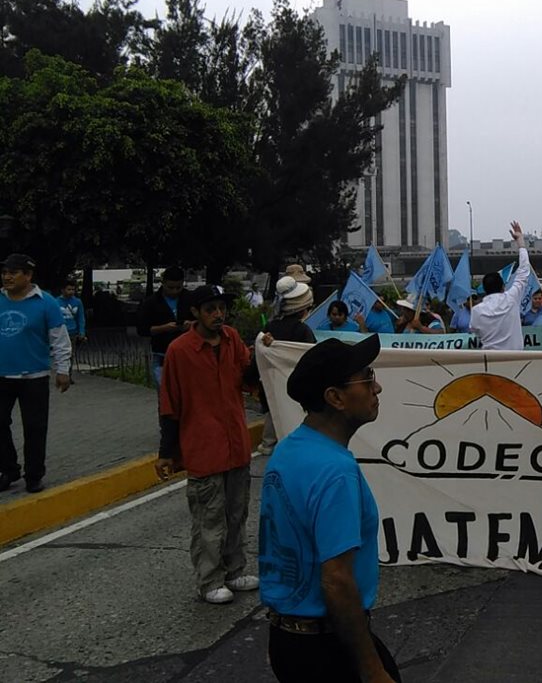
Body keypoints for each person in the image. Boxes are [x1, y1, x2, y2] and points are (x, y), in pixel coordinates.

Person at [259, 334, 400, 682]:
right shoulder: (335, 471)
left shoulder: (290, 448)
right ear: (335, 397)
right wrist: (371, 669)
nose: (377, 388)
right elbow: (337, 579)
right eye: (367, 379)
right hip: (326, 648)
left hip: (288, 642)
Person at [155, 284, 258, 604]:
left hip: (236, 445)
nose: (218, 315)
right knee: (209, 519)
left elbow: (248, 379)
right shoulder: (180, 351)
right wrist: (166, 453)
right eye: (210, 309)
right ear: (195, 313)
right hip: (204, 447)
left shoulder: (232, 341)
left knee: (236, 513)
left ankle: (234, 569)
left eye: (221, 309)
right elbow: (169, 403)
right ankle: (209, 578)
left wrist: (263, 353)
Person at [0, 254, 72, 494]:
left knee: (35, 428)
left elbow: (60, 339)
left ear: (28, 275)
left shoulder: (46, 302)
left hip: (35, 377)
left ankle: (34, 475)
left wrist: (63, 370)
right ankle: (8, 469)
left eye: (13, 272)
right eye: (5, 272)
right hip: (2, 376)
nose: (7, 277)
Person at [255, 276, 318, 455]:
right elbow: (311, 356)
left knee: (272, 413)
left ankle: (268, 445)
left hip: (272, 382)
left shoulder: (269, 327)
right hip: (296, 384)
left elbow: (259, 354)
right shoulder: (303, 330)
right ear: (303, 310)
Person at [471, 222, 531, 350]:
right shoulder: (512, 298)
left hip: (490, 361)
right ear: (503, 286)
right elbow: (524, 271)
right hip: (515, 360)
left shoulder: (476, 311)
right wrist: (520, 242)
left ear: (485, 290)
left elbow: (475, 330)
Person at [137, 266, 189, 388]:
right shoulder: (151, 302)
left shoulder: (189, 298)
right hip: (162, 354)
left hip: (187, 354)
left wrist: (191, 325)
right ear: (163, 283)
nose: (174, 291)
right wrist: (164, 328)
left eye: (178, 287)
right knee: (166, 395)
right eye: (170, 287)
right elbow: (142, 330)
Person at [57, 280, 87, 350]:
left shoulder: (78, 302)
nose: (71, 292)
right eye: (69, 289)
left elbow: (81, 317)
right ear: (63, 290)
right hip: (61, 333)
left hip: (73, 332)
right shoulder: (56, 302)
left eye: (73, 289)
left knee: (71, 353)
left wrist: (81, 332)